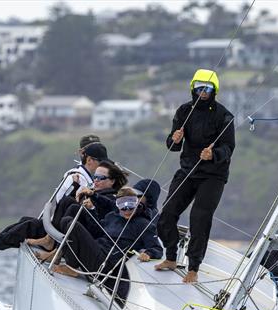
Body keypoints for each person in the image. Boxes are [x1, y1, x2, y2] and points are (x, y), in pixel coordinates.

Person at [155, 69, 235, 284]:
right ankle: (170, 256)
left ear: (214, 90)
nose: (203, 92)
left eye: (207, 88)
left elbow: (229, 147)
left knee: (199, 218)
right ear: (193, 88)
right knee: (166, 214)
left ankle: (193, 267)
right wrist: (174, 138)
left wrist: (213, 154)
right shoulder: (183, 111)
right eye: (199, 88)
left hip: (213, 175)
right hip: (188, 170)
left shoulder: (224, 115)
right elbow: (172, 147)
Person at [0, 142, 111, 256]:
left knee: (29, 225)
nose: (103, 166)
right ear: (90, 160)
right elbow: (61, 202)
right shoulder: (78, 176)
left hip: (60, 228)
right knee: (26, 221)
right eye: (101, 162)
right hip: (57, 224)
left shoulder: (85, 178)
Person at [52, 188, 163, 283]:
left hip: (105, 263)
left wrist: (148, 253)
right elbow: (97, 232)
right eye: (122, 206)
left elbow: (157, 248)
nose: (127, 210)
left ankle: (72, 267)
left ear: (137, 203)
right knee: (68, 218)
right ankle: (58, 253)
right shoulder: (112, 216)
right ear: (117, 206)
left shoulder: (143, 224)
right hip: (96, 250)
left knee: (71, 224)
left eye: (130, 205)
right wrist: (92, 210)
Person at [54, 134, 101, 203]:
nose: (98, 154)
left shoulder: (97, 174)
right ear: (81, 152)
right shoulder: (73, 176)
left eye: (99, 150)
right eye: (93, 151)